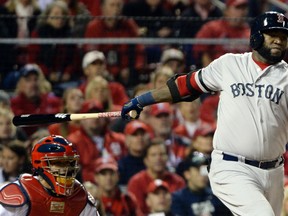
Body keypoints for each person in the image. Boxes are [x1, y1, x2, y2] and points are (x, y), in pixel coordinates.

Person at [121, 11, 288, 215]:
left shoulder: (286, 75)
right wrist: (142, 100)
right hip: (233, 166)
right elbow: (184, 86)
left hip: (274, 171)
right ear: (256, 36)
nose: (279, 41)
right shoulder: (230, 64)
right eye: (273, 34)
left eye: (283, 37)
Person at [0, 135, 100, 215]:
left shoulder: (80, 197)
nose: (66, 168)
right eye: (59, 163)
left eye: (70, 163)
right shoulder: (19, 194)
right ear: (41, 164)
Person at [67, 99, 126, 182]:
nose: (95, 118)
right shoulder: (72, 142)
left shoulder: (120, 139)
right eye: (90, 114)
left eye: (98, 114)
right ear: (81, 119)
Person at [127, 138, 185, 214]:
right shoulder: (136, 182)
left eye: (162, 154)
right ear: (146, 160)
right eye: (153, 155)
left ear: (167, 158)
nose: (158, 158)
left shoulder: (178, 181)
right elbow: (136, 212)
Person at [171, 151, 232, 216]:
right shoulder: (178, 199)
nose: (203, 174)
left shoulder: (216, 195)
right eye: (198, 170)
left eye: (204, 169)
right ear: (187, 174)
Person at [193, 0, 250, 67]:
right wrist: (210, 73)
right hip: (216, 71)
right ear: (226, 11)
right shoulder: (212, 28)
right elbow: (201, 52)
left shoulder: (250, 33)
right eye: (237, 8)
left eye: (244, 8)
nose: (241, 12)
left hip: (241, 73)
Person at [118, 120, 151, 186]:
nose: (140, 138)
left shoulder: (154, 161)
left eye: (142, 134)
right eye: (135, 134)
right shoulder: (121, 166)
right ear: (127, 140)